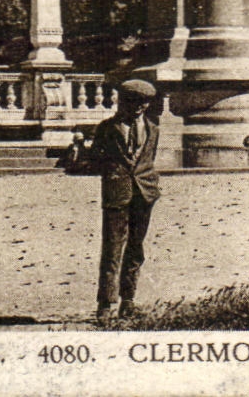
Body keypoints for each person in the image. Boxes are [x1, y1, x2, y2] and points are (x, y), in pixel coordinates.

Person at [69, 79, 161, 323]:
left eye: (145, 103)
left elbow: (147, 160)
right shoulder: (107, 128)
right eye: (134, 102)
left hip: (145, 193)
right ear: (122, 102)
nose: (140, 107)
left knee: (136, 247)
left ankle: (128, 301)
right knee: (112, 248)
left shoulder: (153, 128)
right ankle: (106, 304)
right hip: (116, 193)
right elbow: (94, 161)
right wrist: (78, 151)